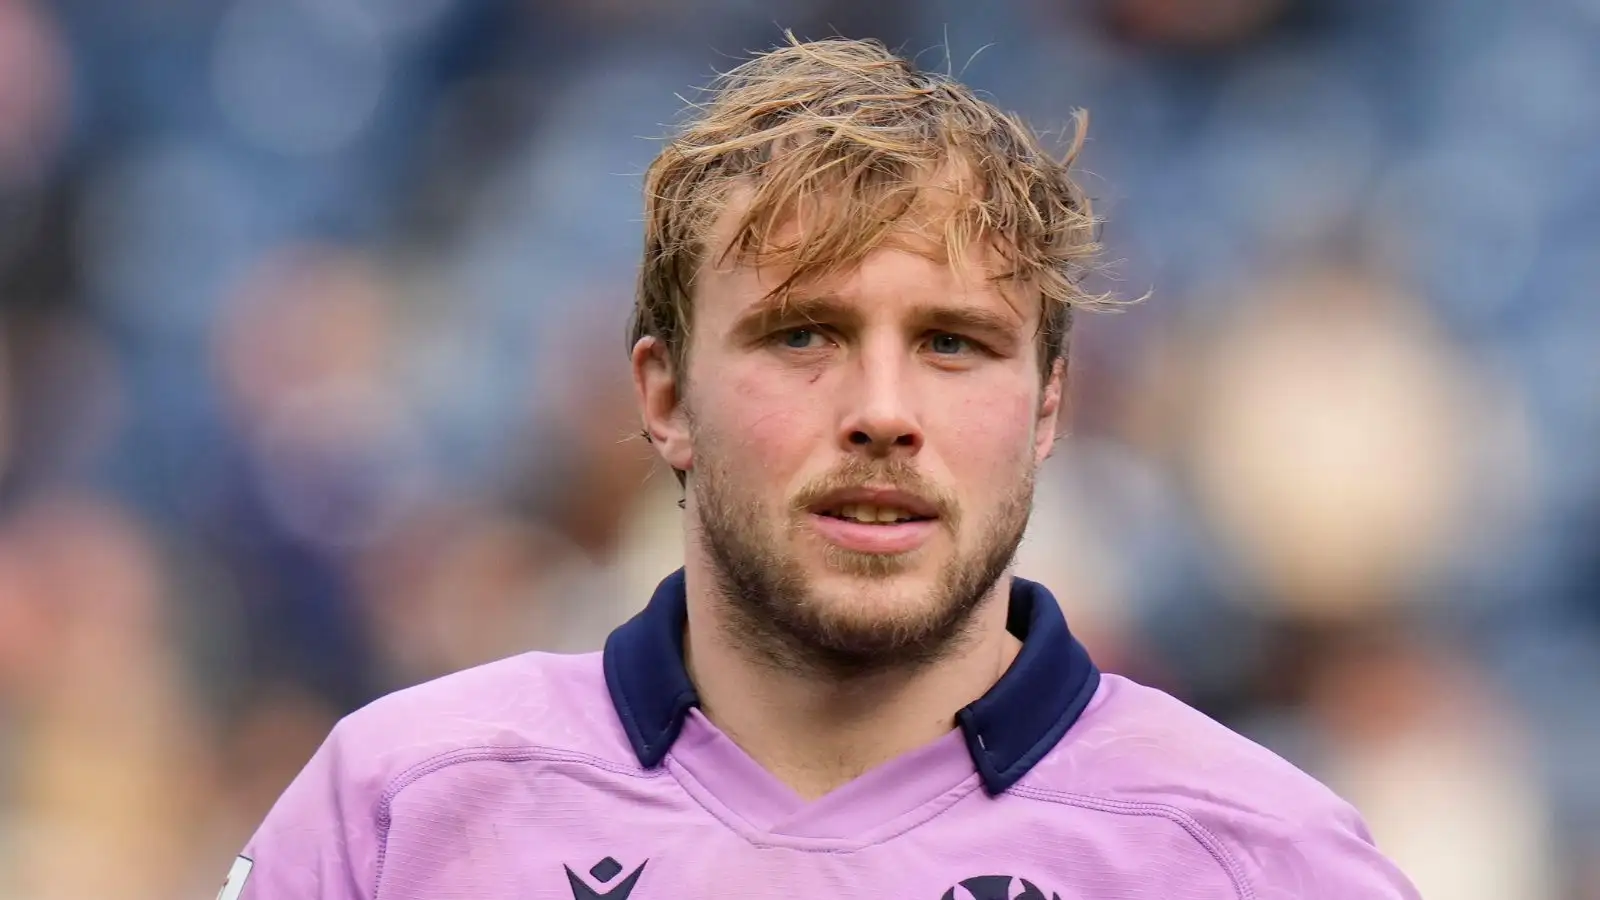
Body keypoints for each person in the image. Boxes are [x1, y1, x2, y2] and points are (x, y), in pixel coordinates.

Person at [218, 35, 1420, 899]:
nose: (882, 413)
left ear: (1048, 406)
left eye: (954, 344)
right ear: (663, 396)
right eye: (803, 336)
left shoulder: (1260, 860)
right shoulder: (400, 811)